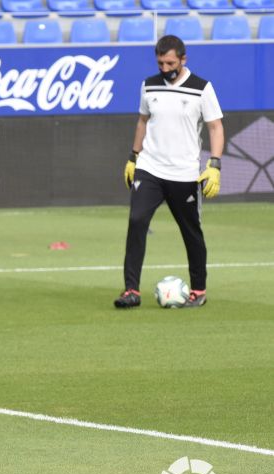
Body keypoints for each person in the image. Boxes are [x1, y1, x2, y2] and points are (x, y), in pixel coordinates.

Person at [115, 35, 224, 309]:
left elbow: (215, 127)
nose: (165, 68)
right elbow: (142, 121)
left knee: (191, 231)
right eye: (161, 62)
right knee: (137, 221)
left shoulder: (201, 88)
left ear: (183, 59)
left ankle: (198, 290)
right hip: (150, 168)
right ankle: (131, 291)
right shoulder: (149, 85)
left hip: (184, 173)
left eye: (170, 62)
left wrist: (215, 164)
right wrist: (133, 157)